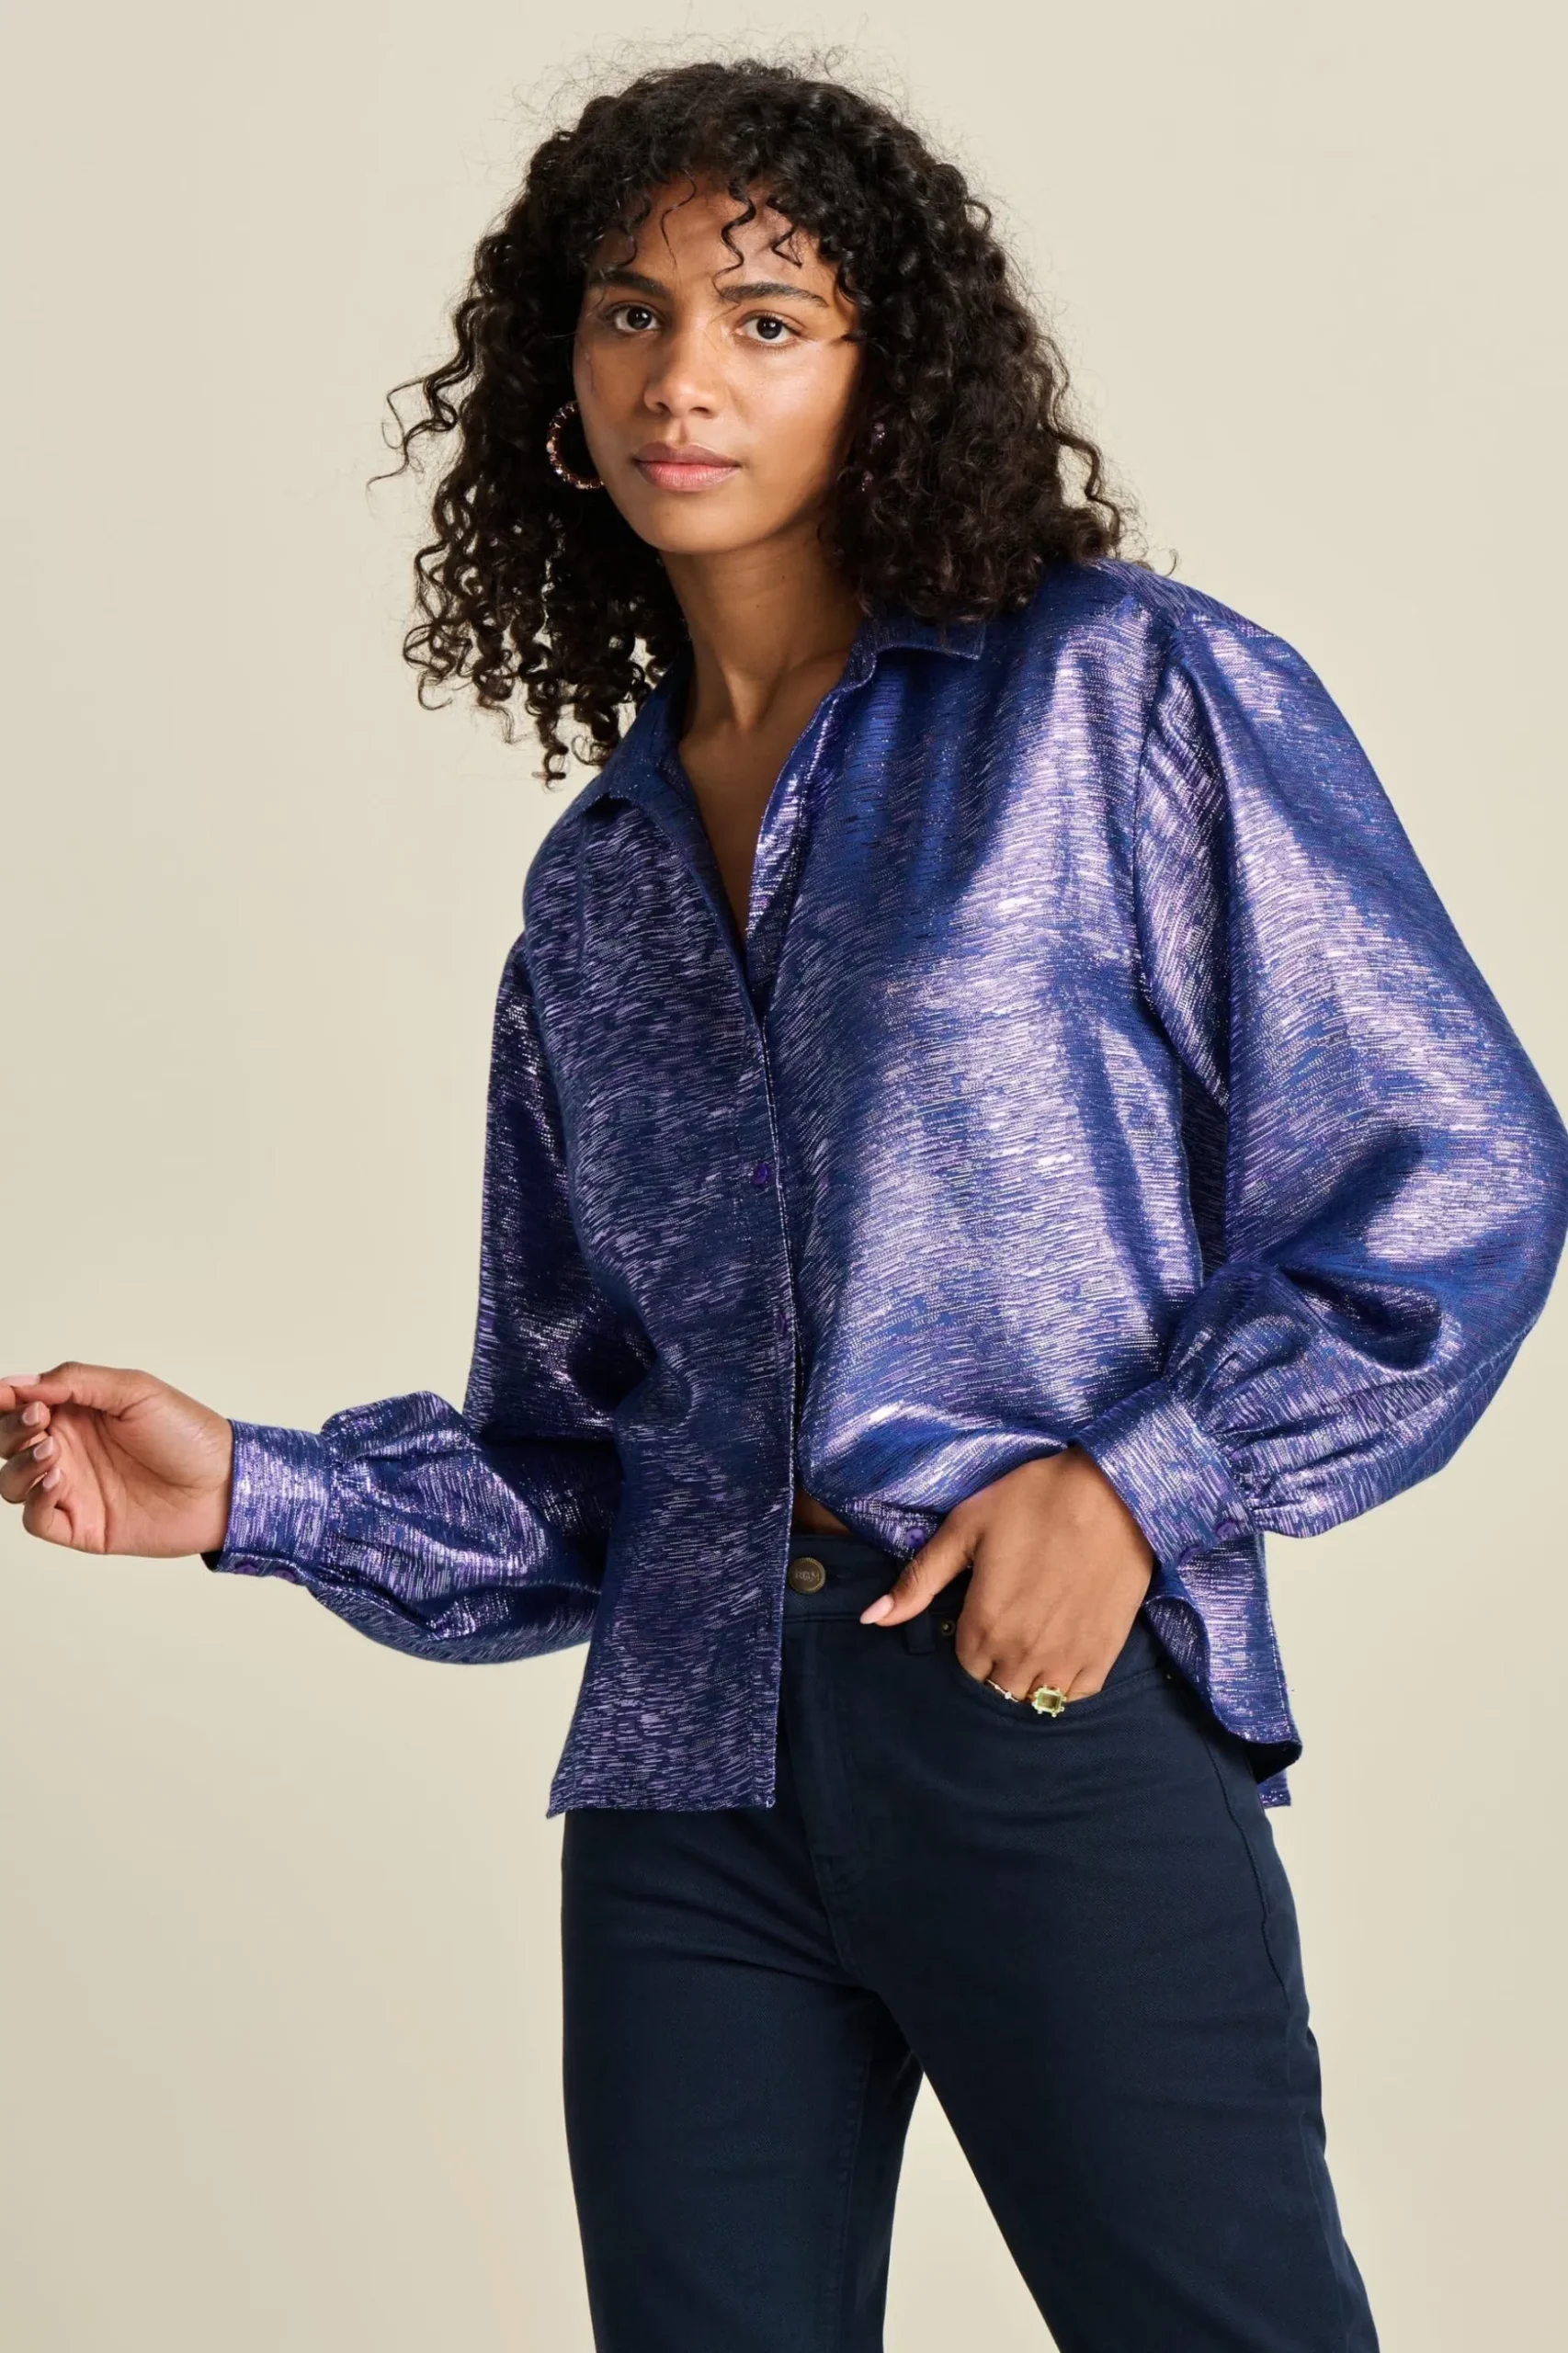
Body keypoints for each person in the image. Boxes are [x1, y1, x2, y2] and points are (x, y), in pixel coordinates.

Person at [4, 54, 1565, 2353]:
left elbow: (1456, 1159)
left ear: (883, 365)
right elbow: (585, 1452)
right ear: (557, 379)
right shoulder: (596, 887)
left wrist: (1138, 1484)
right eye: (629, 315)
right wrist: (250, 1487)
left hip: (1030, 1706)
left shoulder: (1113, 691)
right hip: (686, 1786)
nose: (682, 380)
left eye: (764, 319)